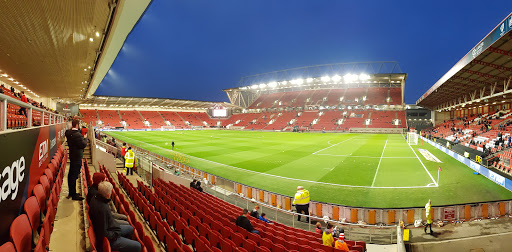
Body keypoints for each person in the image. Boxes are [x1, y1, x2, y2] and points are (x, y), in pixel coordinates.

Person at [89, 181, 141, 252]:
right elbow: (105, 233)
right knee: (138, 246)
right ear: (108, 194)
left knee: (130, 228)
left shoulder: (94, 199)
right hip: (111, 239)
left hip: (112, 228)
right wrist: (116, 234)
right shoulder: (103, 209)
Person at [65, 118, 87, 200]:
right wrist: (85, 138)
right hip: (77, 157)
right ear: (77, 125)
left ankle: (72, 192)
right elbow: (83, 145)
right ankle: (73, 194)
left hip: (72, 156)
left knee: (72, 175)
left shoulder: (69, 133)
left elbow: (69, 132)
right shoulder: (77, 135)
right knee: (73, 175)